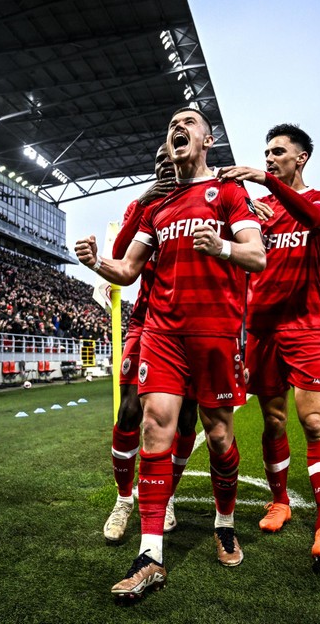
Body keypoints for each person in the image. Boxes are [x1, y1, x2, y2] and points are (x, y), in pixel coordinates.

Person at [75, 107, 266, 598]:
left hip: (215, 335)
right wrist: (98, 261)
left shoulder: (227, 193)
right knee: (154, 423)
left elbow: (257, 255)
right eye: (172, 124)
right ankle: (151, 553)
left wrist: (221, 247)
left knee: (220, 436)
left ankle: (225, 521)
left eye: (189, 122)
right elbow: (127, 269)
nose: (178, 127)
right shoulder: (156, 208)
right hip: (161, 331)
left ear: (207, 139)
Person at [217, 123, 320, 570]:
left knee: (314, 421)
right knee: (272, 420)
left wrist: (265, 180)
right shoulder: (261, 209)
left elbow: (314, 220)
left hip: (305, 329)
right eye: (266, 153)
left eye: (278, 152)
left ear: (300, 158)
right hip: (261, 330)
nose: (269, 158)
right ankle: (280, 501)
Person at [102, 145, 199, 544]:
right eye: (157, 162)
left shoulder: (202, 200)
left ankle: (168, 494)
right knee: (129, 412)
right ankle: (124, 500)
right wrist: (143, 201)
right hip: (146, 321)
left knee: (187, 419)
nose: (164, 166)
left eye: (169, 160)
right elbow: (120, 255)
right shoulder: (142, 207)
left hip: (193, 324)